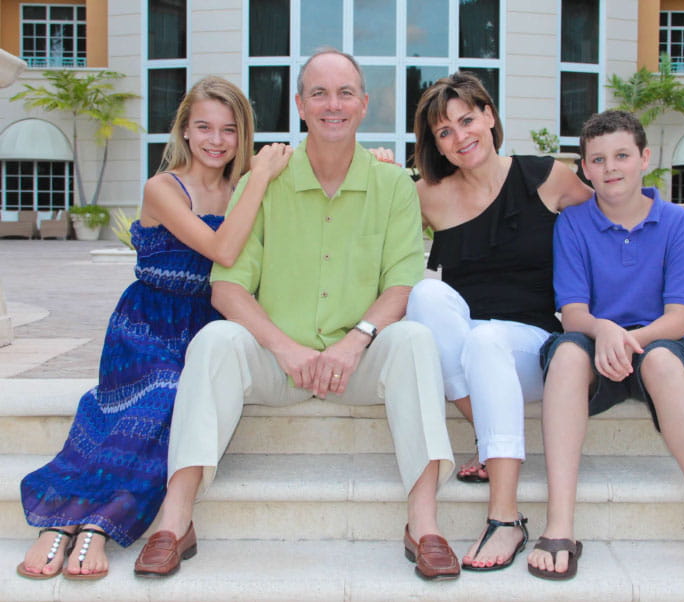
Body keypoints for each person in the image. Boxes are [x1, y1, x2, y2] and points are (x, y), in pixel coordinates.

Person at [133, 48, 460, 582]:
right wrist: (286, 348)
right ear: (300, 104)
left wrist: (354, 342)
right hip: (277, 361)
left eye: (345, 93)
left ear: (364, 104)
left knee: (417, 340)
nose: (333, 104)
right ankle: (175, 519)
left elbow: (401, 284)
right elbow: (228, 289)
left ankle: (424, 524)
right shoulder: (263, 181)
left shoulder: (394, 185)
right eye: (319, 93)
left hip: (356, 363)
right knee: (214, 341)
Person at [405, 72, 684, 572]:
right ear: (434, 144)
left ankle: (504, 518)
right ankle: (486, 432)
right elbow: (370, 218)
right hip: (465, 356)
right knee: (426, 296)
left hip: (528, 345)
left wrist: (678, 211)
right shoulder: (427, 195)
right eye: (444, 132)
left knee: (487, 338)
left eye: (467, 120)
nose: (460, 137)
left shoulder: (544, 176)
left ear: (489, 115)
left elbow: (617, 200)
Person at [17, 76, 292, 581]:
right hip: (147, 322)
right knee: (162, 394)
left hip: (205, 323)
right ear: (184, 130)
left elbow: (324, 166)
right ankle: (69, 521)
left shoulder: (241, 187)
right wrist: (258, 179)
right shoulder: (163, 187)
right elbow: (223, 250)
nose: (216, 140)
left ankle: (96, 525)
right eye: (204, 127)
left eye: (229, 130)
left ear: (242, 134)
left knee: (182, 395)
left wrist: (382, 162)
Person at [527, 110, 684, 589]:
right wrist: (605, 332)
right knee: (565, 353)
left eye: (621, 155)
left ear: (645, 158)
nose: (610, 167)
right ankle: (559, 527)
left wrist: (630, 339)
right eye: (597, 159)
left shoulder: (679, 223)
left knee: (660, 359)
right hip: (594, 342)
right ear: (585, 169)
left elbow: (679, 317)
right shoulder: (573, 224)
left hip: (663, 345)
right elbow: (573, 313)